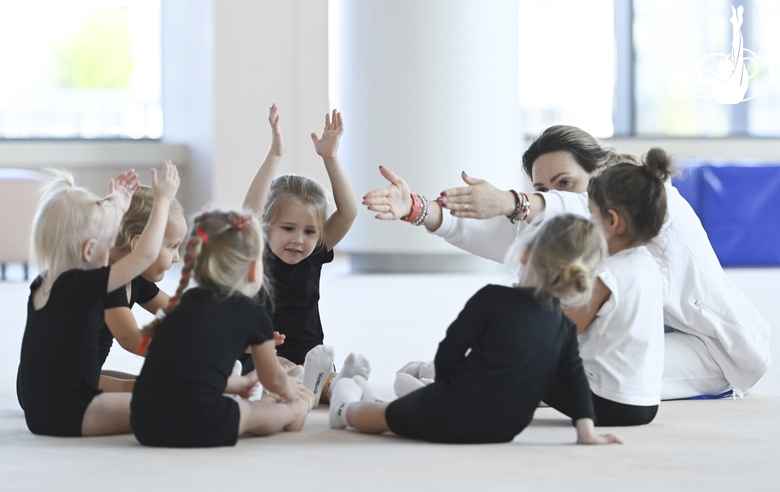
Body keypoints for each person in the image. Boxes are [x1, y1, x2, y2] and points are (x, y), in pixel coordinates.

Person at [363, 125, 771, 400]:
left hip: (715, 351)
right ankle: (458, 375)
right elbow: (505, 234)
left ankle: (457, 383)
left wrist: (514, 200)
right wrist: (416, 209)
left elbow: (573, 207)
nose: (552, 195)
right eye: (541, 187)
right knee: (539, 347)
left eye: (565, 183)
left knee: (572, 374)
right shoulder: (574, 223)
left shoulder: (656, 201)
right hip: (632, 337)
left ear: (602, 174)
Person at [328, 215, 620, 445]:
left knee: (383, 416)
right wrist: (586, 431)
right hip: (505, 429)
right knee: (407, 408)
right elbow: (575, 381)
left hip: (448, 414)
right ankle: (392, 399)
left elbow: (449, 351)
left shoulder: (494, 298)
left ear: (526, 252)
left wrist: (441, 391)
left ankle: (344, 407)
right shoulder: (565, 328)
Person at [16, 162, 180, 437]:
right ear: (90, 249)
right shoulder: (82, 286)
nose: (112, 250)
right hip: (73, 410)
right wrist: (162, 200)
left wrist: (117, 205)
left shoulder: (45, 283)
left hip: (43, 402)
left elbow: (174, 306)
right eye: (107, 244)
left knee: (147, 383)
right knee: (163, 400)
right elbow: (143, 256)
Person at [130, 211, 314, 448]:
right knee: (246, 412)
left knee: (230, 403)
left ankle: (266, 401)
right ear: (253, 269)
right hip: (201, 424)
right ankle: (295, 410)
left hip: (144, 423)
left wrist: (239, 384)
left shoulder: (180, 304)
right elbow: (273, 377)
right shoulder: (253, 312)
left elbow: (183, 374)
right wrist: (290, 390)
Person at [243, 104, 363, 404]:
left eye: (310, 231)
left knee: (329, 381)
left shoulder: (315, 252)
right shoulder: (257, 250)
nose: (299, 240)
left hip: (311, 350)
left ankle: (343, 393)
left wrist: (331, 158)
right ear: (267, 226)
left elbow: (348, 213)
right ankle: (298, 385)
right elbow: (250, 212)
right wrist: (274, 155)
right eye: (288, 228)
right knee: (282, 371)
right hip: (262, 351)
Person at [549, 149, 670, 426]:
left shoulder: (606, 274)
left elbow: (567, 327)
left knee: (521, 355)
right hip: (645, 402)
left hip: (606, 400)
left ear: (612, 221)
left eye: (590, 215)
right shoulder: (649, 266)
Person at [98, 185, 187, 392]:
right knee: (155, 391)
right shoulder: (107, 279)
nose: (177, 257)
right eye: (172, 246)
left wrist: (228, 333)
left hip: (83, 372)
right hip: (55, 384)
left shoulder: (134, 278)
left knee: (160, 384)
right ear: (139, 245)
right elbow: (132, 339)